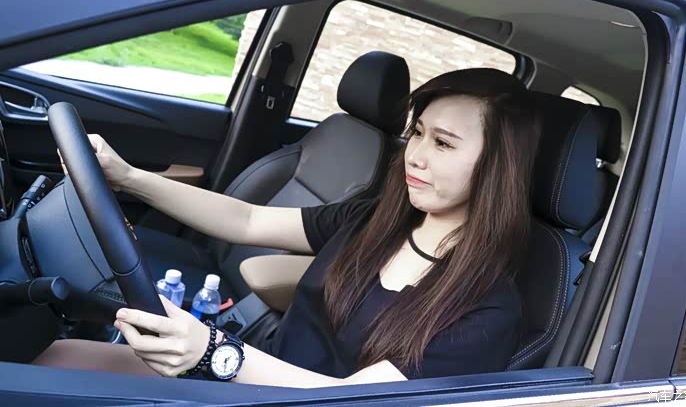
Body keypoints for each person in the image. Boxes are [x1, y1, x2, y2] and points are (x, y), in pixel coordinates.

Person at [33, 68, 542, 388]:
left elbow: (353, 401)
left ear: (498, 168)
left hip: (265, 386)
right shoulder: (374, 218)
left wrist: (215, 352)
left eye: (444, 144)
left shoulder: (487, 309)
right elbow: (247, 219)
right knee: (47, 359)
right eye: (419, 134)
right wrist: (129, 177)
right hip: (241, 377)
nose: (416, 156)